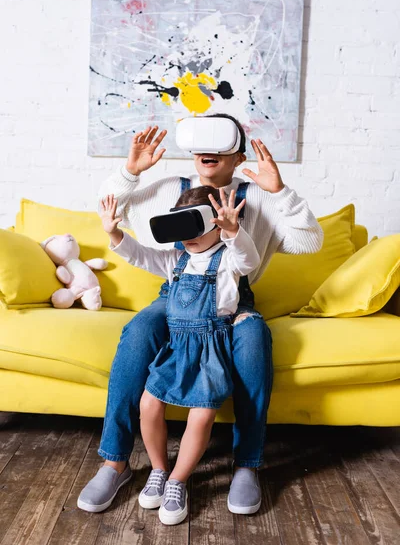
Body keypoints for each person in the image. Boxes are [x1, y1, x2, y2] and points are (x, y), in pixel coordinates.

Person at [77, 114, 323, 516]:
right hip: (175, 292)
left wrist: (278, 192)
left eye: (219, 145)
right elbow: (113, 213)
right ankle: (115, 462)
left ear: (237, 154)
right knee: (138, 334)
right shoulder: (171, 190)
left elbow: (309, 242)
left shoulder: (255, 196)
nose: (207, 152)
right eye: (200, 145)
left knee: (254, 341)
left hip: (231, 296)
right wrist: (130, 172)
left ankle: (246, 465)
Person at [99, 186, 260, 525]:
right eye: (181, 231)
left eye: (195, 230)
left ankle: (177, 481)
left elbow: (249, 259)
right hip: (176, 347)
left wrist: (234, 232)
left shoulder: (229, 260)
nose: (188, 239)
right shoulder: (176, 261)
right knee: (148, 404)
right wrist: (114, 233)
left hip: (211, 349)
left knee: (201, 416)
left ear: (216, 225)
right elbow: (140, 255)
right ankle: (159, 470)